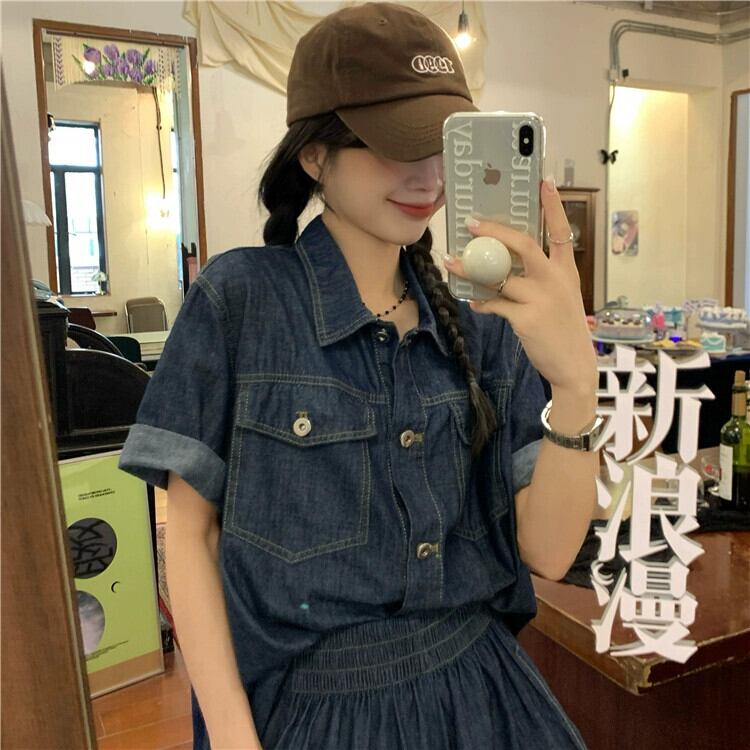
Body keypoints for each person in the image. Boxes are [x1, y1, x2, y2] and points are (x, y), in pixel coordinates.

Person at [119, 3, 599, 748]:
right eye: (395, 145)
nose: (428, 176)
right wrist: (235, 738)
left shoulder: (483, 323)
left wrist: (575, 387)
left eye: (444, 146)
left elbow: (549, 552)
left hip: (482, 696)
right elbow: (190, 539)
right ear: (314, 155)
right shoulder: (241, 300)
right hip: (315, 716)